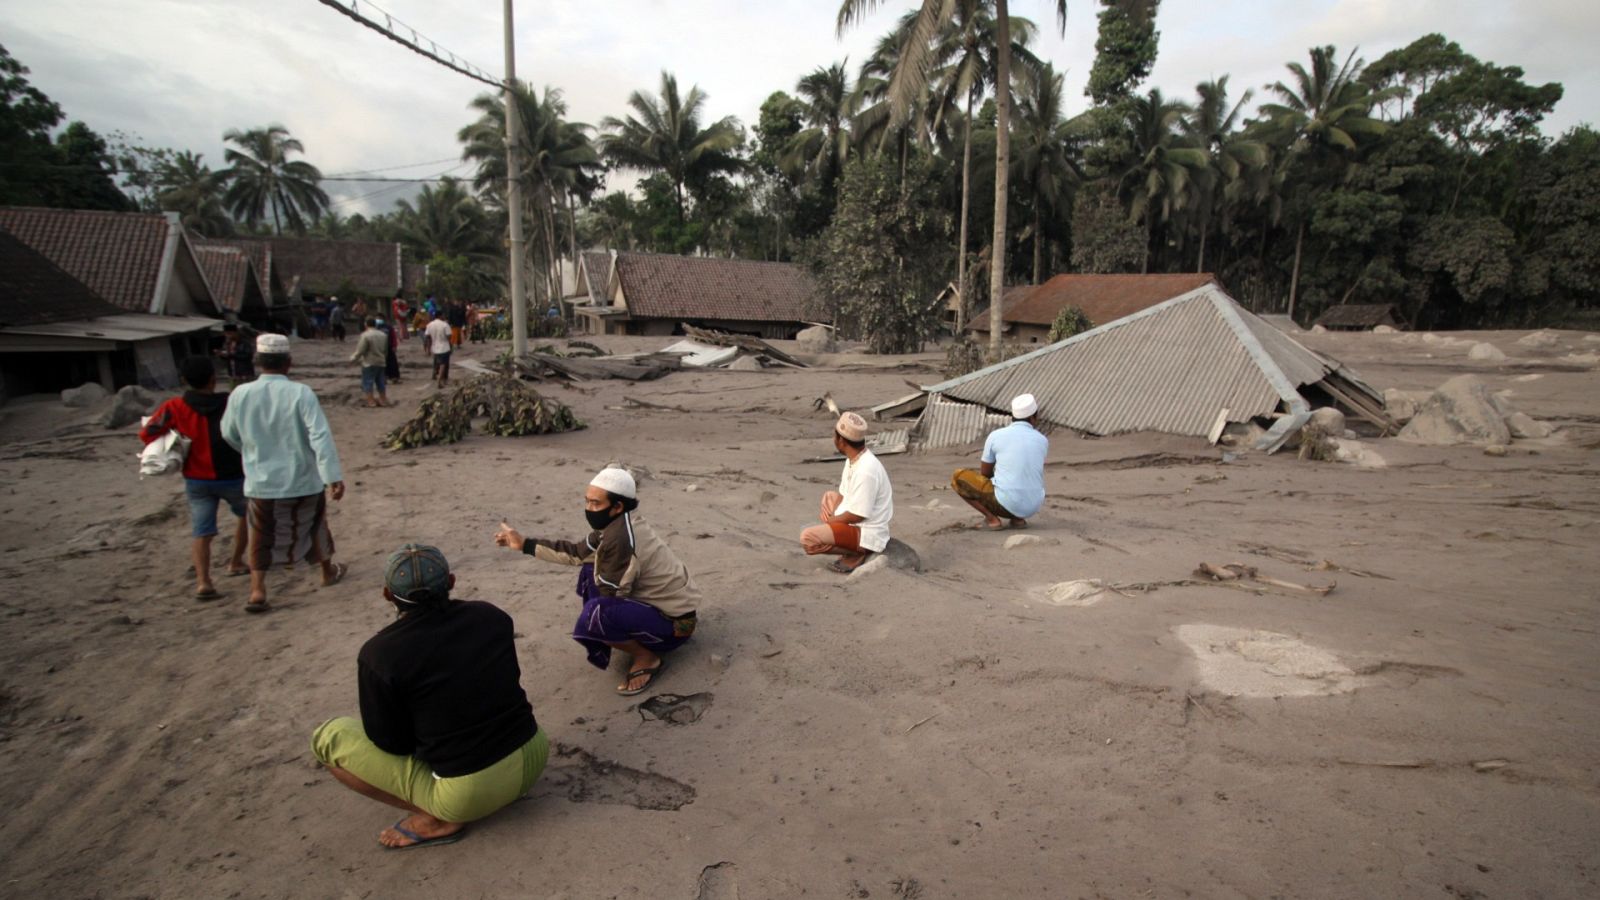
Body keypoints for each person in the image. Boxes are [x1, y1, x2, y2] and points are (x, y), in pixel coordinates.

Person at [310, 544, 547, 850]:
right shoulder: (491, 616)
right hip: (533, 756)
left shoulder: (379, 654)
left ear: (387, 595)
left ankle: (435, 818)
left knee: (328, 737)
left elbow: (390, 743)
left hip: (469, 794)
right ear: (451, 581)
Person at [494, 467, 699, 696]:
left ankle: (647, 658)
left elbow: (613, 595)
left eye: (595, 503)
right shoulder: (616, 524)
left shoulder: (621, 539)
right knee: (590, 569)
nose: (589, 509)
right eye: (587, 501)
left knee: (596, 614)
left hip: (676, 627)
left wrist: (596, 620)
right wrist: (524, 544)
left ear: (617, 506)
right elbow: (576, 553)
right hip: (660, 609)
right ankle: (617, 635)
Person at [220, 333, 348, 613]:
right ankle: (327, 571)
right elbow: (320, 436)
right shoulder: (301, 393)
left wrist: (252, 451)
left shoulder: (240, 394)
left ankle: (257, 589)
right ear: (288, 362)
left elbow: (229, 433)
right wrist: (332, 477)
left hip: (261, 481)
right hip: (303, 477)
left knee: (259, 533)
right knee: (316, 524)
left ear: (258, 361)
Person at [138, 356, 249, 600]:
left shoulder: (174, 407)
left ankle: (203, 582)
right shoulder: (229, 403)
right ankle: (236, 561)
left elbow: (147, 433)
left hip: (197, 478)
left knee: (202, 531)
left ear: (184, 380)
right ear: (213, 379)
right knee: (247, 516)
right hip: (233, 475)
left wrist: (175, 441)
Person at [799, 411, 894, 574]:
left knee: (808, 539)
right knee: (829, 497)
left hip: (867, 533)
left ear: (841, 441)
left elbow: (858, 515)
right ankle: (840, 536)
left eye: (834, 436)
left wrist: (832, 521)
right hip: (854, 521)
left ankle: (856, 552)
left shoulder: (866, 470)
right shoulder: (854, 458)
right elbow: (843, 495)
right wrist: (834, 519)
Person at [951, 393, 1050, 530]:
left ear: (1012, 416)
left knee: (958, 476)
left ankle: (992, 519)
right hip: (1033, 506)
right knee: (1021, 478)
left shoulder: (996, 436)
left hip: (1005, 503)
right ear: (1034, 417)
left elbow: (985, 473)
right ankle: (1018, 520)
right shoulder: (1043, 440)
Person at [351, 317, 391, 407]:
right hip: (381, 361)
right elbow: (385, 350)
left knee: (368, 382)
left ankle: (371, 401)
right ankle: (383, 400)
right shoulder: (383, 335)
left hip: (369, 362)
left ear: (366, 324)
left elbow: (361, 350)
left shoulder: (365, 335)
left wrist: (353, 358)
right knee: (380, 382)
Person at [423, 310, 452, 388]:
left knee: (436, 362)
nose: (444, 316)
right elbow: (449, 336)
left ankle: (435, 374)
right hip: (444, 347)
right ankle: (441, 379)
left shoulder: (429, 325)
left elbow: (427, 337)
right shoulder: (445, 324)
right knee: (444, 364)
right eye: (443, 315)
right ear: (440, 316)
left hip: (435, 347)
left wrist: (428, 349)